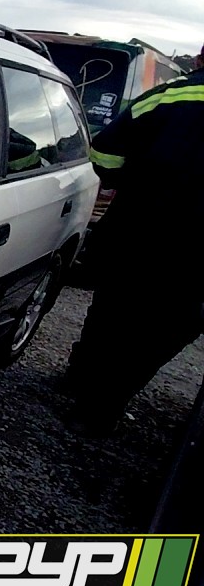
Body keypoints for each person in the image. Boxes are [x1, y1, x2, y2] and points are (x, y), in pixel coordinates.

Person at [62, 43, 204, 437]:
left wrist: (128, 180)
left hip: (138, 231)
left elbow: (104, 153)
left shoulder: (167, 97)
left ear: (200, 59)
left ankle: (78, 381)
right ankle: (100, 410)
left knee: (112, 312)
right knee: (161, 332)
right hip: (196, 259)